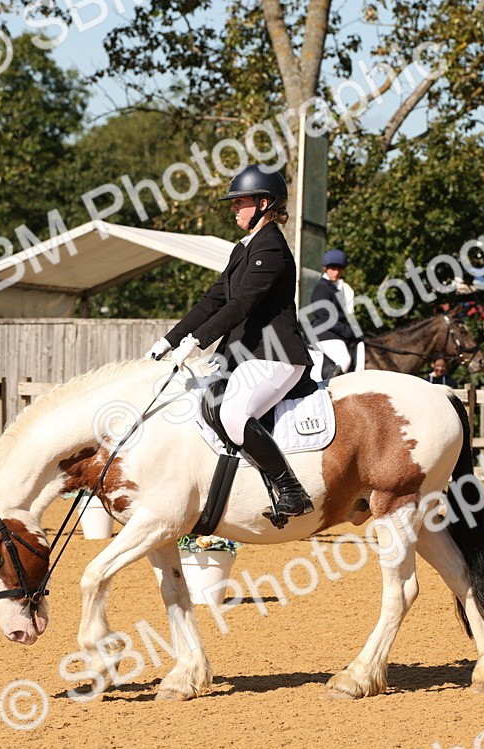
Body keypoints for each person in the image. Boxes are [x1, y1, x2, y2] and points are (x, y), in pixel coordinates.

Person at [145, 165, 314, 520]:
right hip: (245, 356)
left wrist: (199, 339)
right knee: (202, 403)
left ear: (264, 203)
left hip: (275, 355)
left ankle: (291, 490)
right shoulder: (244, 248)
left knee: (234, 413)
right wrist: (168, 340)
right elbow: (213, 300)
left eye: (240, 202)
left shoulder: (272, 248)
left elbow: (242, 304)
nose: (233, 208)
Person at [308, 248, 362, 373]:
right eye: (333, 269)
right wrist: (346, 331)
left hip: (336, 332)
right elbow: (323, 315)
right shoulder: (322, 287)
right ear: (325, 268)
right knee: (344, 360)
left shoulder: (339, 288)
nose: (336, 272)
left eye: (339, 269)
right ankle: (327, 390)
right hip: (324, 332)